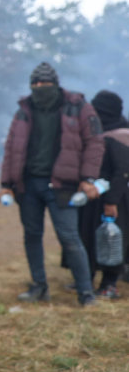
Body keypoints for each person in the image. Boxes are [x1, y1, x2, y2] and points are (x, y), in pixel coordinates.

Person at [0, 62, 104, 306]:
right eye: (35, 84)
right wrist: (6, 183)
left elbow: (95, 143)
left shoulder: (78, 106)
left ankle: (85, 292)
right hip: (28, 185)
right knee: (32, 236)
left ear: (56, 85)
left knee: (69, 238)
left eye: (45, 84)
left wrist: (88, 178)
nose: (40, 88)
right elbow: (11, 147)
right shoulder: (23, 110)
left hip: (63, 185)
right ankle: (39, 286)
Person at [77, 90, 129, 297]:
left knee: (112, 240)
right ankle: (85, 279)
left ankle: (109, 283)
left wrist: (111, 201)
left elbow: (122, 172)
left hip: (113, 199)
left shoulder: (120, 136)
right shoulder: (97, 132)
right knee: (88, 239)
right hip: (93, 196)